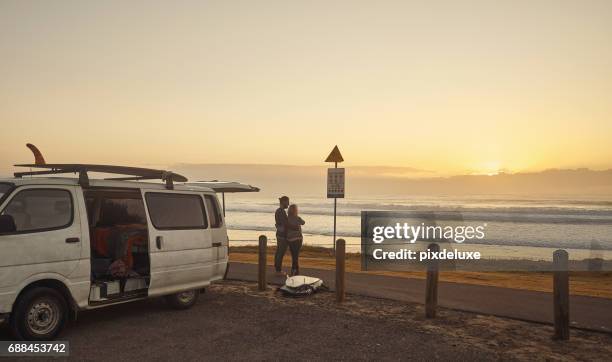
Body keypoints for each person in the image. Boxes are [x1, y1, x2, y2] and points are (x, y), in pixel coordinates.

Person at [286, 204, 305, 276]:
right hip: (298, 239)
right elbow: (303, 222)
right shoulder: (297, 218)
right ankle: (295, 270)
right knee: (296, 255)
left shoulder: (287, 218)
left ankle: (295, 270)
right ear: (295, 210)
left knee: (294, 255)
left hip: (290, 239)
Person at [274, 196, 290, 273]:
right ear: (283, 202)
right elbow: (285, 223)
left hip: (279, 234)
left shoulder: (279, 211)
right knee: (281, 252)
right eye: (287, 202)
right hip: (282, 235)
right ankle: (278, 269)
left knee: (279, 251)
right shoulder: (281, 211)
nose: (288, 204)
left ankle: (277, 267)